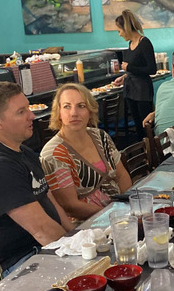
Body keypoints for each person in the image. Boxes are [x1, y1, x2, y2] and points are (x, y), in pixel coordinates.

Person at [0, 82, 73, 272]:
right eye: (21, 111)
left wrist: (74, 236)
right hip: (20, 263)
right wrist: (76, 253)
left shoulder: (22, 151)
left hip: (44, 249)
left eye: (28, 108)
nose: (32, 116)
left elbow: (49, 199)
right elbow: (41, 230)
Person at [40, 84, 132, 221]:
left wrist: (130, 206)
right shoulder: (53, 153)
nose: (74, 113)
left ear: (90, 110)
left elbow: (121, 175)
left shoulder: (100, 136)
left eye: (81, 106)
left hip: (120, 213)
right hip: (87, 225)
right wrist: (113, 216)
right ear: (58, 112)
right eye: (67, 106)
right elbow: (71, 206)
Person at [111, 9, 157, 139]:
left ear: (126, 29)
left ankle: (152, 152)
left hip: (142, 90)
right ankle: (142, 151)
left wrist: (129, 67)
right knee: (137, 125)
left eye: (119, 31)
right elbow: (134, 70)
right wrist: (124, 76)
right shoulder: (130, 44)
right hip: (130, 89)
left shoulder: (145, 43)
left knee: (146, 124)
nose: (119, 34)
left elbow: (151, 69)